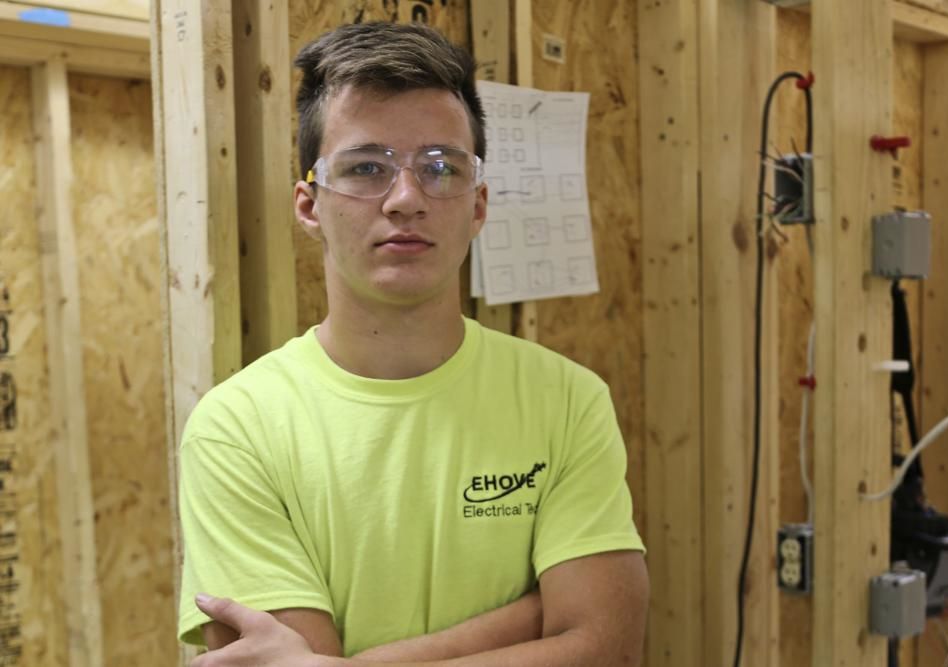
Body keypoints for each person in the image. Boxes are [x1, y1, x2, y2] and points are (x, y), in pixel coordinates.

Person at [177, 20, 648, 667]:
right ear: (309, 203)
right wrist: (540, 616)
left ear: (478, 204)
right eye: (366, 167)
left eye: (439, 167)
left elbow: (607, 650)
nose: (405, 198)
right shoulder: (237, 429)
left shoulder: (567, 398)